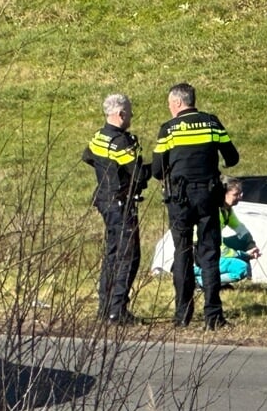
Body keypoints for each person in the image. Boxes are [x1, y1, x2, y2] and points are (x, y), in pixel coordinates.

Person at [152, 82, 239, 330]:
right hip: (208, 196)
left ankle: (182, 315)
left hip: (179, 198)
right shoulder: (212, 123)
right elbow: (232, 158)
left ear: (178, 103)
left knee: (182, 254)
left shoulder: (169, 129)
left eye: (170, 104)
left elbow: (158, 170)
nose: (169, 108)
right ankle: (213, 315)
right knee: (210, 254)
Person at [82, 93, 150, 325]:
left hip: (104, 200)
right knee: (128, 256)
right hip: (121, 202)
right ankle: (117, 311)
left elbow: (87, 156)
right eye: (130, 112)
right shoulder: (120, 142)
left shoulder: (98, 137)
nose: (131, 116)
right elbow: (138, 174)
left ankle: (105, 307)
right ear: (120, 114)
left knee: (112, 255)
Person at [193, 176, 261, 288]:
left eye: (241, 194)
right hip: (204, 251)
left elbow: (241, 229)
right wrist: (244, 255)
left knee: (241, 241)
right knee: (241, 268)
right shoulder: (215, 213)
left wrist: (251, 246)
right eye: (236, 194)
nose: (240, 197)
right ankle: (199, 280)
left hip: (212, 248)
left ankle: (213, 279)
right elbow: (221, 248)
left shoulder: (227, 210)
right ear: (224, 193)